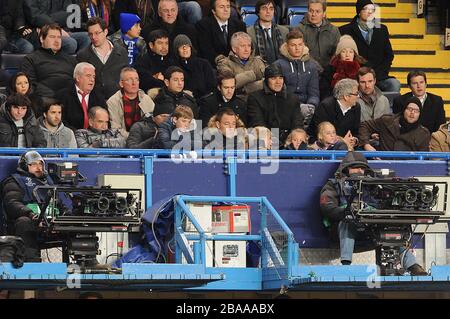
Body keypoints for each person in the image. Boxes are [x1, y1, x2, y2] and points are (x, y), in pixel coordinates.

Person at [319, 151, 427, 275]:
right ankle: (346, 267)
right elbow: (327, 207)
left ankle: (413, 266)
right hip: (342, 231)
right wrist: (347, 211)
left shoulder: (375, 184)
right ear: (346, 168)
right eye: (356, 167)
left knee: (392, 228)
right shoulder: (333, 184)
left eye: (362, 168)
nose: (360, 170)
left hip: (371, 231)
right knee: (348, 220)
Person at [0, 151, 54, 261]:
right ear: (25, 166)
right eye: (33, 164)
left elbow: (59, 204)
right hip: (26, 221)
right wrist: (30, 214)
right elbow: (12, 203)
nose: (38, 167)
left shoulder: (48, 182)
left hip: (48, 221)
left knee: (73, 221)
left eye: (40, 164)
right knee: (24, 222)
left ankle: (86, 261)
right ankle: (31, 261)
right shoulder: (14, 181)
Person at [339, 0, 400, 92]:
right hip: (355, 76)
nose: (369, 12)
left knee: (394, 84)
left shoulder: (382, 29)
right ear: (359, 12)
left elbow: (388, 55)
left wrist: (377, 74)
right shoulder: (345, 30)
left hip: (378, 76)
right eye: (365, 9)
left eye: (372, 9)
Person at [247, 63, 304, 145]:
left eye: (280, 78)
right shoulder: (255, 98)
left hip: (289, 142)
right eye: (273, 78)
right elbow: (257, 123)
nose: (278, 82)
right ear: (266, 80)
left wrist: (292, 140)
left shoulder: (293, 99)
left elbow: (297, 124)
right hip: (266, 141)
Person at [275, 29, 320, 127]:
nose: (297, 48)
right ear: (287, 46)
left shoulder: (312, 66)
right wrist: (297, 106)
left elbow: (314, 92)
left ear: (304, 45)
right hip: (285, 107)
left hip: (307, 108)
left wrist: (311, 106)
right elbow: (279, 93)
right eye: (293, 45)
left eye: (300, 45)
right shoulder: (278, 65)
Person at [77, 17, 129, 99]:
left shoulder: (121, 52)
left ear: (105, 32)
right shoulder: (83, 55)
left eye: (97, 33)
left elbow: (127, 76)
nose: (93, 37)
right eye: (90, 34)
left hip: (119, 99)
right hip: (95, 101)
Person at [20, 24, 76, 100]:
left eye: (59, 37)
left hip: (70, 98)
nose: (56, 40)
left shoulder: (71, 59)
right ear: (42, 39)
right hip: (46, 99)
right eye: (52, 37)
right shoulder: (30, 59)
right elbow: (30, 85)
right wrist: (54, 96)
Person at [359, 96, 430, 152]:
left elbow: (423, 159)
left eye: (416, 111)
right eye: (410, 109)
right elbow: (365, 125)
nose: (412, 113)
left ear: (420, 114)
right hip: (383, 165)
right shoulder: (387, 121)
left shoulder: (423, 134)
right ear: (404, 110)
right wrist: (366, 145)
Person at [23, 0, 90, 54]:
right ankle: (56, 68)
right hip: (40, 33)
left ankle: (77, 67)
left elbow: (68, 13)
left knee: (87, 37)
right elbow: (34, 15)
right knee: (70, 43)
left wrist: (47, 21)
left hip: (60, 29)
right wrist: (53, 26)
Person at [308, 78, 360, 147]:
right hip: (322, 148)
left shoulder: (356, 107)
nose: (358, 96)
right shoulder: (326, 107)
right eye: (356, 94)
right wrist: (342, 141)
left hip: (346, 148)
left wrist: (354, 140)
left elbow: (356, 131)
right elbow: (322, 135)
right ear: (346, 97)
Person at [215, 32, 266, 101]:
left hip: (259, 101)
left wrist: (246, 88)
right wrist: (252, 74)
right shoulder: (224, 64)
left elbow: (268, 82)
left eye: (249, 46)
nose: (247, 49)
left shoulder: (258, 61)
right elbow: (231, 84)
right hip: (237, 102)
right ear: (234, 49)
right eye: (242, 46)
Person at [56, 62, 107, 131]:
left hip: (95, 137)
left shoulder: (99, 97)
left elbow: (105, 121)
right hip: (71, 136)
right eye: (88, 76)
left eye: (93, 76)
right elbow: (60, 121)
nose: (92, 79)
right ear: (77, 78)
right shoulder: (63, 96)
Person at [107, 67, 155, 138]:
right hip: (122, 140)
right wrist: (132, 138)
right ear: (121, 84)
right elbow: (115, 129)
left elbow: (153, 124)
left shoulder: (146, 99)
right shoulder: (113, 102)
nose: (134, 83)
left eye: (136, 79)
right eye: (129, 80)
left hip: (144, 139)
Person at [195, 0, 246, 66]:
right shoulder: (203, 26)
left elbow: (245, 48)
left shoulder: (240, 25)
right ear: (213, 11)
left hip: (237, 65)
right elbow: (207, 52)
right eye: (222, 7)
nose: (226, 10)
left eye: (228, 7)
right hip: (214, 66)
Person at [297, 0, 341, 69]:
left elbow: (337, 54)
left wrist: (328, 70)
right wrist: (318, 69)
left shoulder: (334, 30)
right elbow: (301, 54)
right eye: (311, 11)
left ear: (324, 14)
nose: (313, 14)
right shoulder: (299, 30)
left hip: (329, 72)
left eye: (317, 11)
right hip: (307, 70)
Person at [319, 35, 366, 99]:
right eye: (343, 51)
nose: (347, 55)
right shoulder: (330, 69)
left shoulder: (362, 69)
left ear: (354, 54)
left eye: (351, 52)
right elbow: (324, 90)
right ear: (339, 54)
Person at [172, 34, 216, 99]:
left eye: (187, 46)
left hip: (205, 99)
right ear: (176, 50)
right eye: (181, 47)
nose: (185, 49)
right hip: (184, 99)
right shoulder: (174, 66)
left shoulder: (203, 63)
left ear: (191, 48)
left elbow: (212, 85)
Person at [246, 0, 289, 65]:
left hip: (282, 69)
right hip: (258, 70)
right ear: (258, 12)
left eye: (271, 9)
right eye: (264, 8)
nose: (268, 11)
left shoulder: (284, 31)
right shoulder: (249, 32)